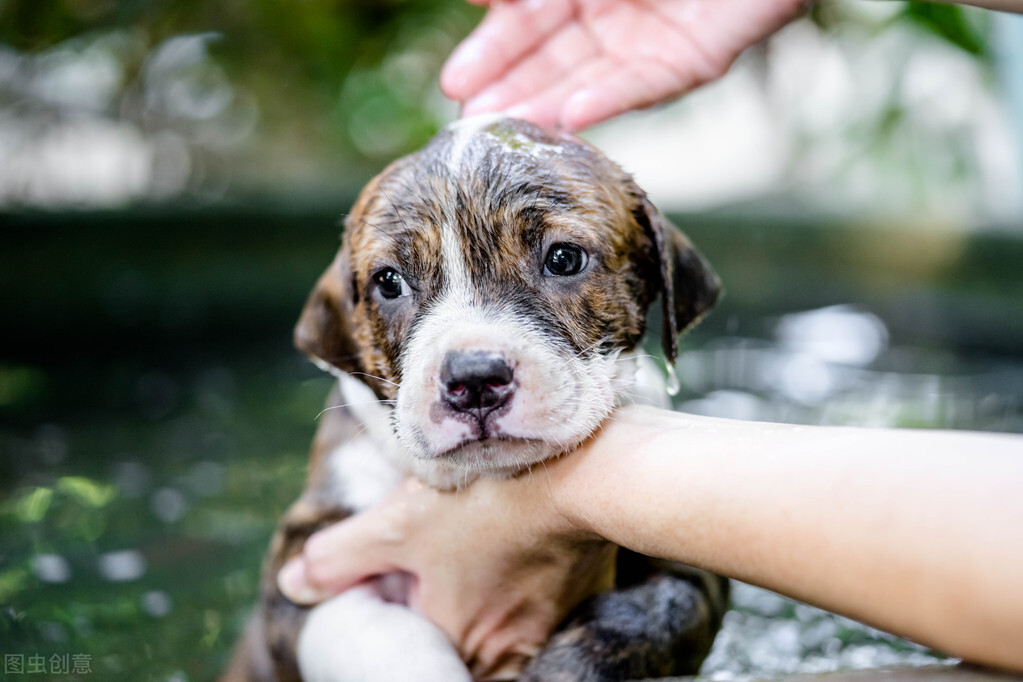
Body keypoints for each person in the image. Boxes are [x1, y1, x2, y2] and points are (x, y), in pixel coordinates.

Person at [278, 0, 1023, 678]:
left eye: (561, 261)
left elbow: (688, 590)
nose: (471, 363)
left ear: (655, 284)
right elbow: (297, 604)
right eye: (392, 285)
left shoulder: (642, 443)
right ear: (350, 330)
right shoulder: (355, 455)